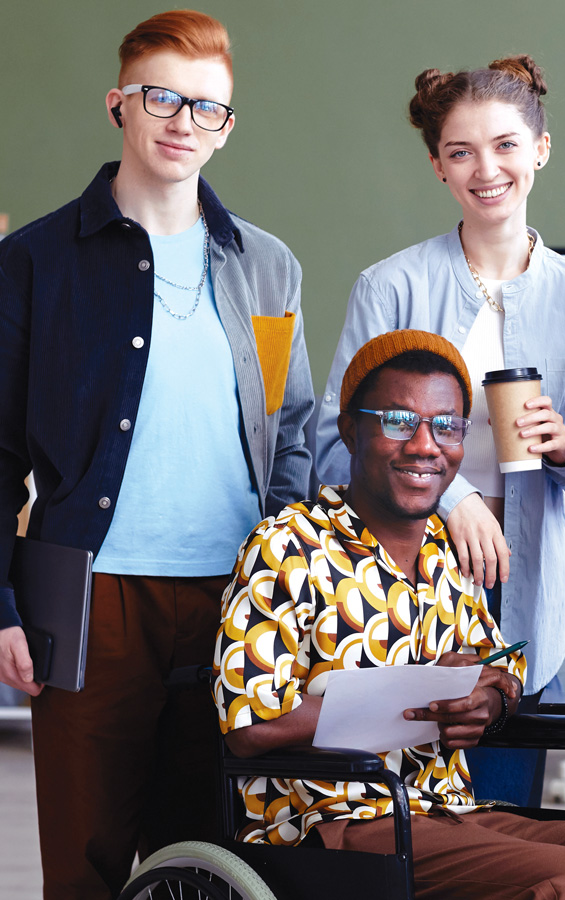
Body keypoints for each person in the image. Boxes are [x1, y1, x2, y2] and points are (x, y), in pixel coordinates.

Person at [0, 11, 313, 899]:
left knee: (212, 861)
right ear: (120, 105)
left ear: (227, 127)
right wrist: (0, 607)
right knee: (87, 860)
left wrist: (277, 567)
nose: (183, 122)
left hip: (234, 601)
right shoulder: (32, 264)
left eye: (206, 108)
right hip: (90, 600)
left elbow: (290, 427)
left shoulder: (265, 266)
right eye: (161, 98)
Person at [214, 330, 565, 900]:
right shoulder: (288, 545)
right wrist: (401, 701)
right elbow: (249, 726)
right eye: (397, 421)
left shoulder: (444, 551)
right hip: (331, 820)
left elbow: (497, 673)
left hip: (448, 811)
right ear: (350, 431)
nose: (424, 445)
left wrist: (484, 703)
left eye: (446, 426)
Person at [313, 55, 565, 699]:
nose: (486, 171)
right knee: (410, 782)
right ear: (438, 166)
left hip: (532, 577)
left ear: (539, 149)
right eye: (460, 152)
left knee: (509, 788)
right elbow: (331, 444)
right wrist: (457, 502)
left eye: (505, 145)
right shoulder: (390, 287)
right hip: (400, 569)